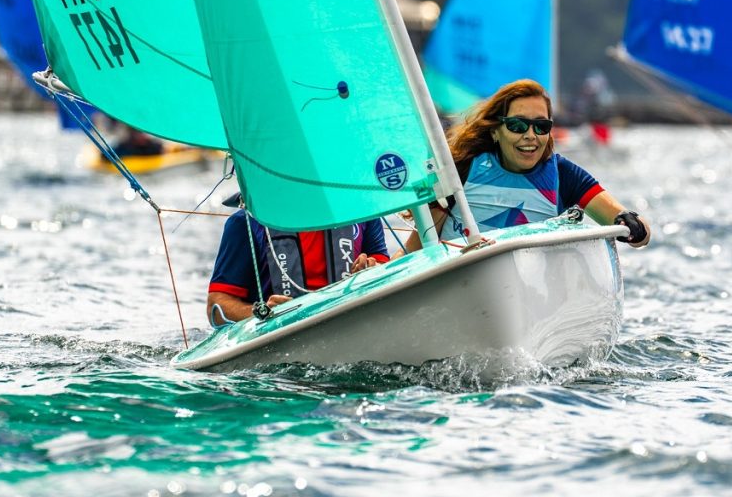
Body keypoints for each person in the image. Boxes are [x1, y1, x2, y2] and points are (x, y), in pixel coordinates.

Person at [400, 79, 651, 253]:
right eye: (517, 126)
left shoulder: (562, 174)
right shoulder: (461, 169)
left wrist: (635, 227)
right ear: (496, 131)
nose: (530, 135)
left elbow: (634, 230)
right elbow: (416, 250)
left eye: (541, 126)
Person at [207, 192, 390, 326]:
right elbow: (216, 307)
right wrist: (262, 312)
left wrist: (372, 271)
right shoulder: (244, 222)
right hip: (283, 334)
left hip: (351, 316)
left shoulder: (362, 211)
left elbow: (383, 266)